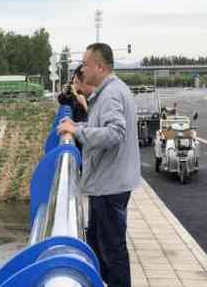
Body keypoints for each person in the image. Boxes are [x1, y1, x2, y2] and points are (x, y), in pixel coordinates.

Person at [57, 42, 141, 287]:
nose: (83, 68)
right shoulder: (109, 91)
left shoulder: (112, 93)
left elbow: (115, 133)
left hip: (110, 184)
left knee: (112, 250)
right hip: (107, 182)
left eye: (85, 63)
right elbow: (106, 129)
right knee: (100, 244)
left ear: (99, 66)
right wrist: (79, 128)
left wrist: (77, 130)